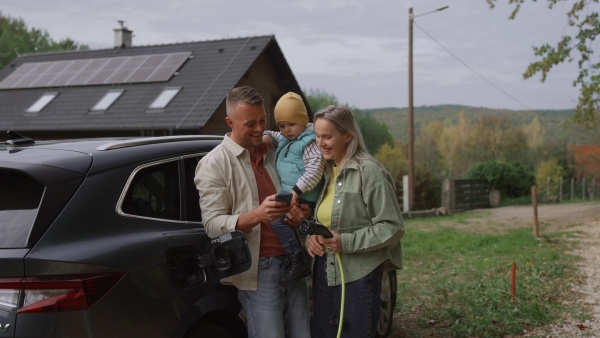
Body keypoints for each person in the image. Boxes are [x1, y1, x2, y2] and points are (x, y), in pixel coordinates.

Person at [194, 86, 311, 338]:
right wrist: (258, 215)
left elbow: (308, 132)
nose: (259, 128)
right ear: (230, 122)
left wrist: (301, 218)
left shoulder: (273, 149)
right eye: (250, 124)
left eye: (262, 120)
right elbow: (212, 225)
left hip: (295, 261)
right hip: (258, 272)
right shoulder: (214, 164)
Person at [306, 105, 405, 338]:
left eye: (327, 137)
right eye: (317, 136)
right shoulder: (328, 171)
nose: (320, 143)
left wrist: (346, 242)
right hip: (324, 272)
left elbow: (392, 227)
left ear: (347, 136)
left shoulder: (369, 171)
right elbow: (325, 219)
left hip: (359, 276)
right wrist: (313, 237)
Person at [263, 91, 325, 286]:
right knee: (280, 219)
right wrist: (266, 137)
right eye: (282, 125)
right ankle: (296, 253)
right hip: (293, 194)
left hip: (303, 195)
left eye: (291, 124)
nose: (287, 130)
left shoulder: (309, 142)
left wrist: (297, 191)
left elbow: (315, 171)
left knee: (279, 221)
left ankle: (297, 258)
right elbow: (273, 136)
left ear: (303, 121)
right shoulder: (285, 138)